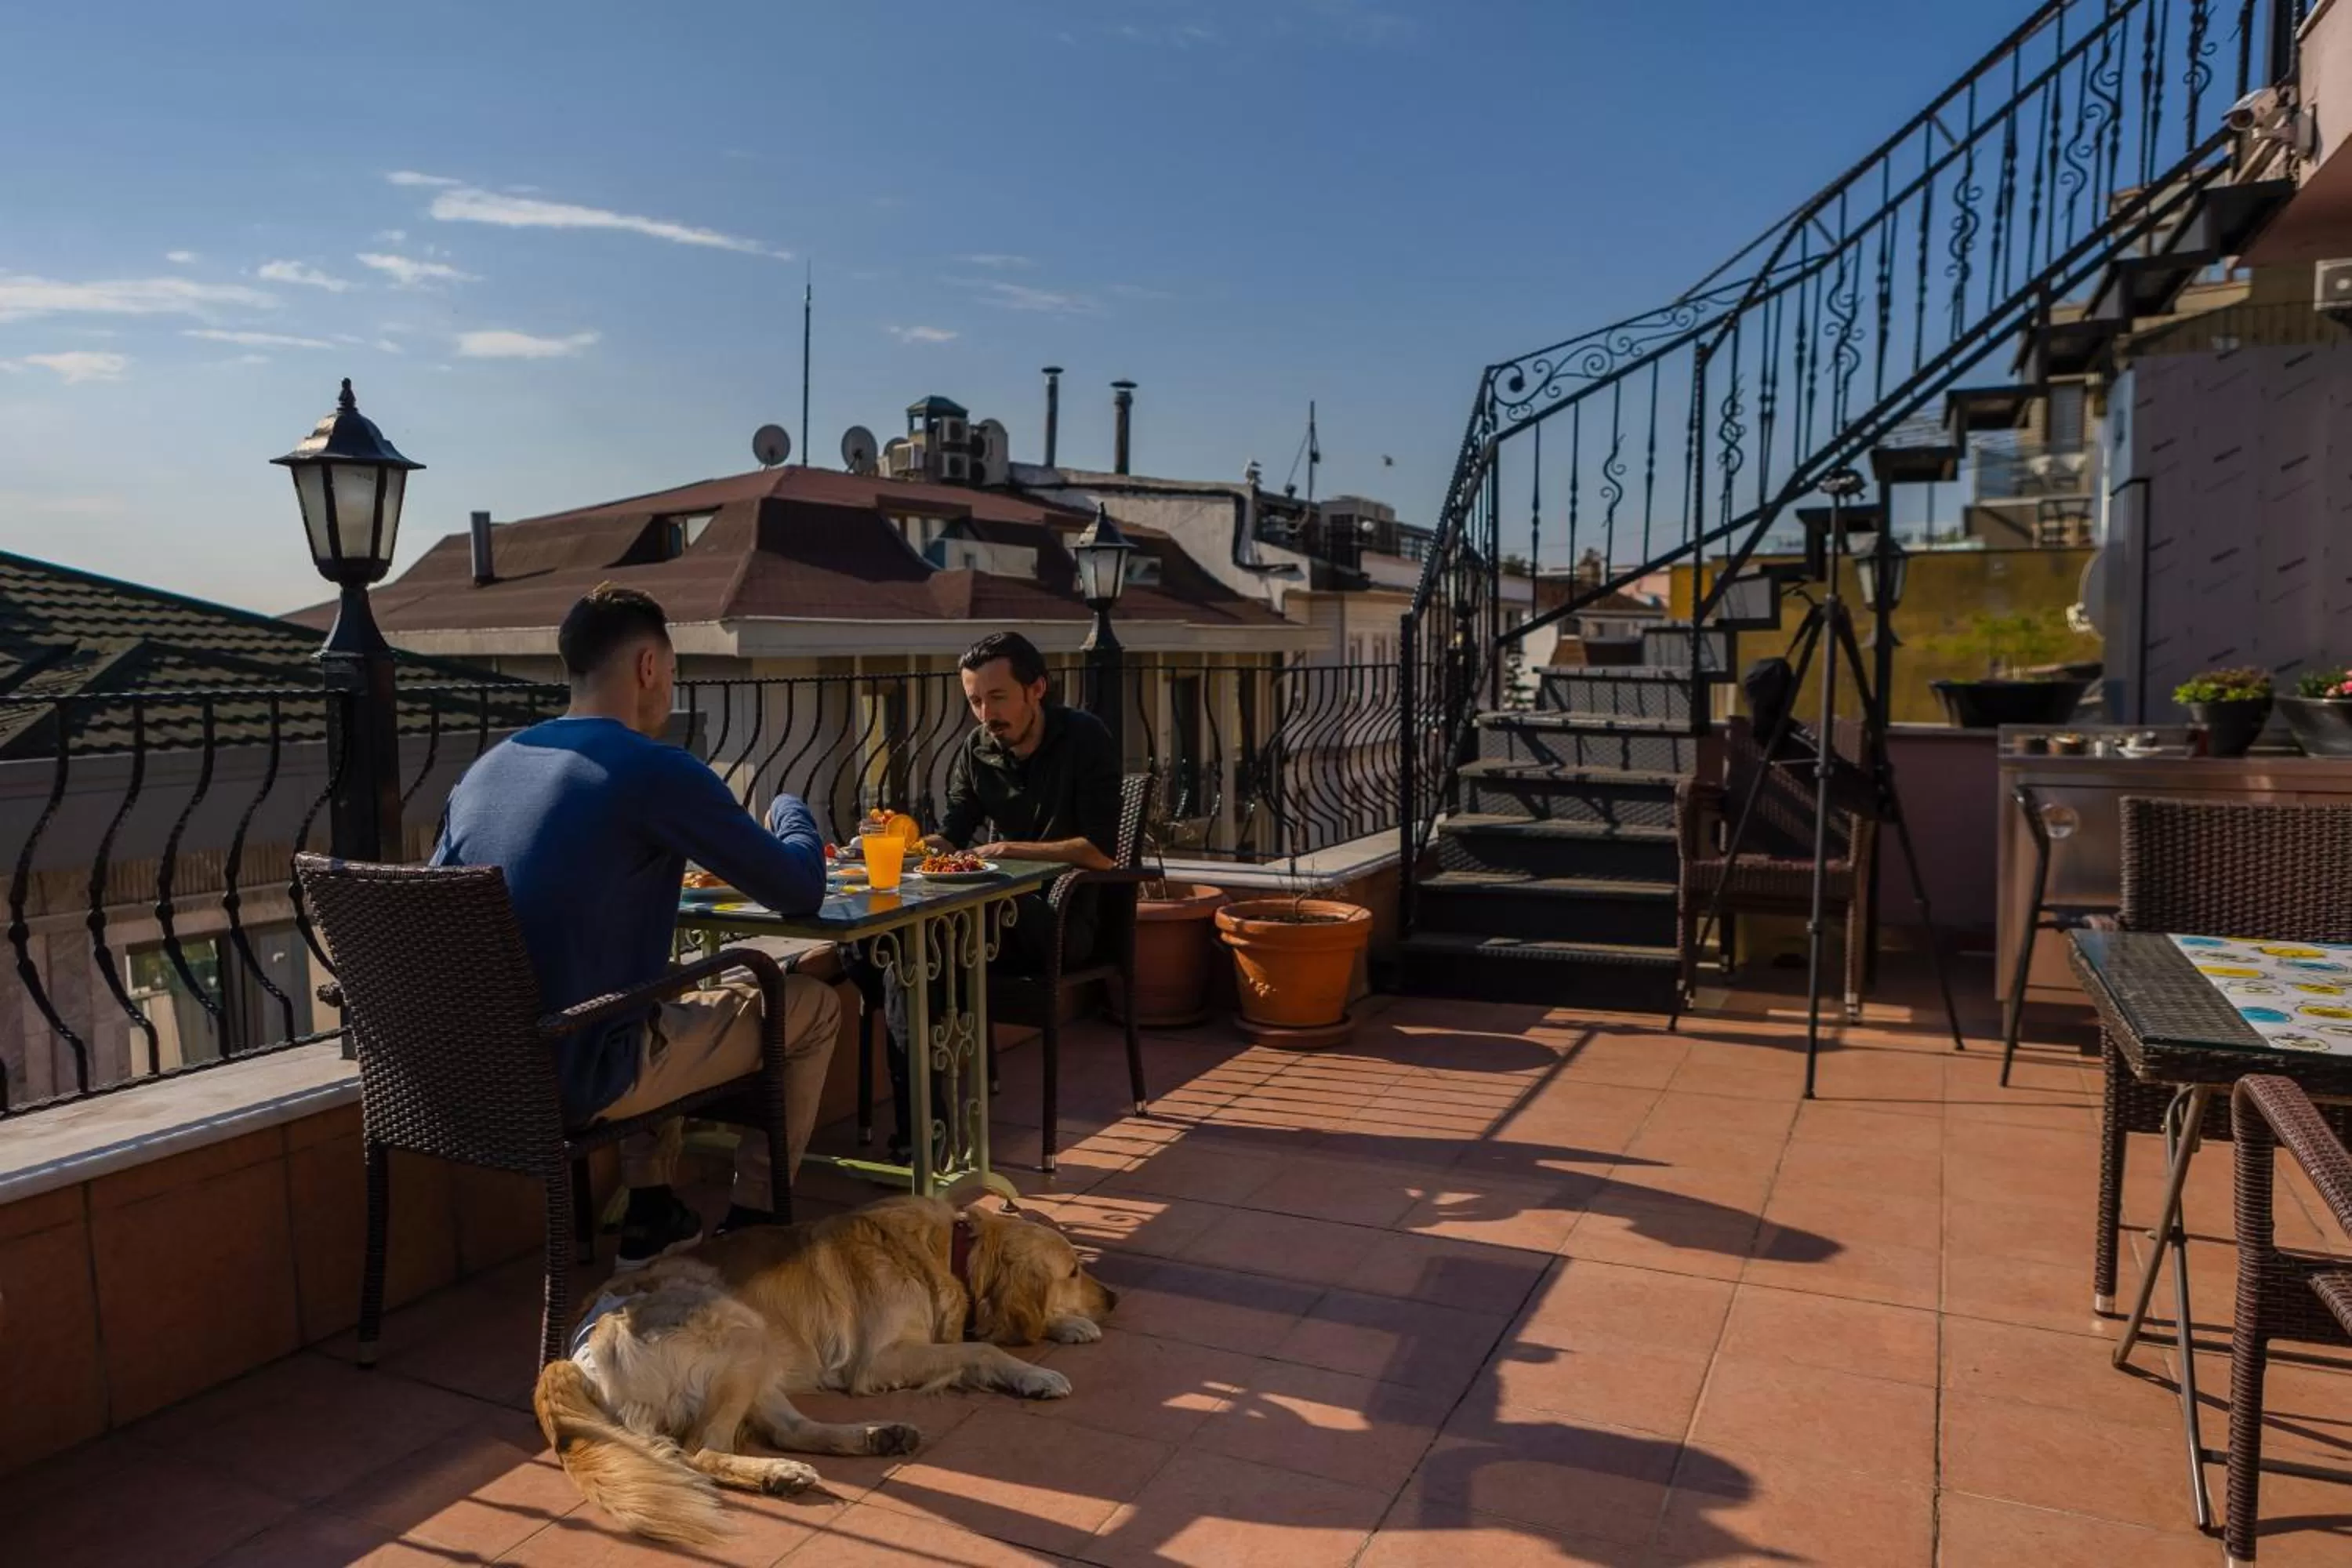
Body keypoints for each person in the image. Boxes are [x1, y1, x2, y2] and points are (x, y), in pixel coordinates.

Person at [432, 583, 839, 1269]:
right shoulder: (650, 769)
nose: (670, 691)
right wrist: (793, 810)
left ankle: (653, 1213)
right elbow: (797, 889)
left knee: (653, 993)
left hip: (464, 1077)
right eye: (674, 674)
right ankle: (754, 1228)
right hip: (578, 1076)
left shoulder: (486, 771)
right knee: (812, 1006)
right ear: (649, 667)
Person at [858, 630, 1122, 1160]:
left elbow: (1101, 852)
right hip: (992, 919)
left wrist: (1008, 848)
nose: (986, 714)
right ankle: (926, 1137)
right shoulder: (978, 749)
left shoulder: (1085, 737)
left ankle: (923, 1138)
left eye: (998, 698)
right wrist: (904, 844)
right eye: (975, 700)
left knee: (914, 953)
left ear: (1037, 689)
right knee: (897, 958)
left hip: (1061, 919)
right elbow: (952, 834)